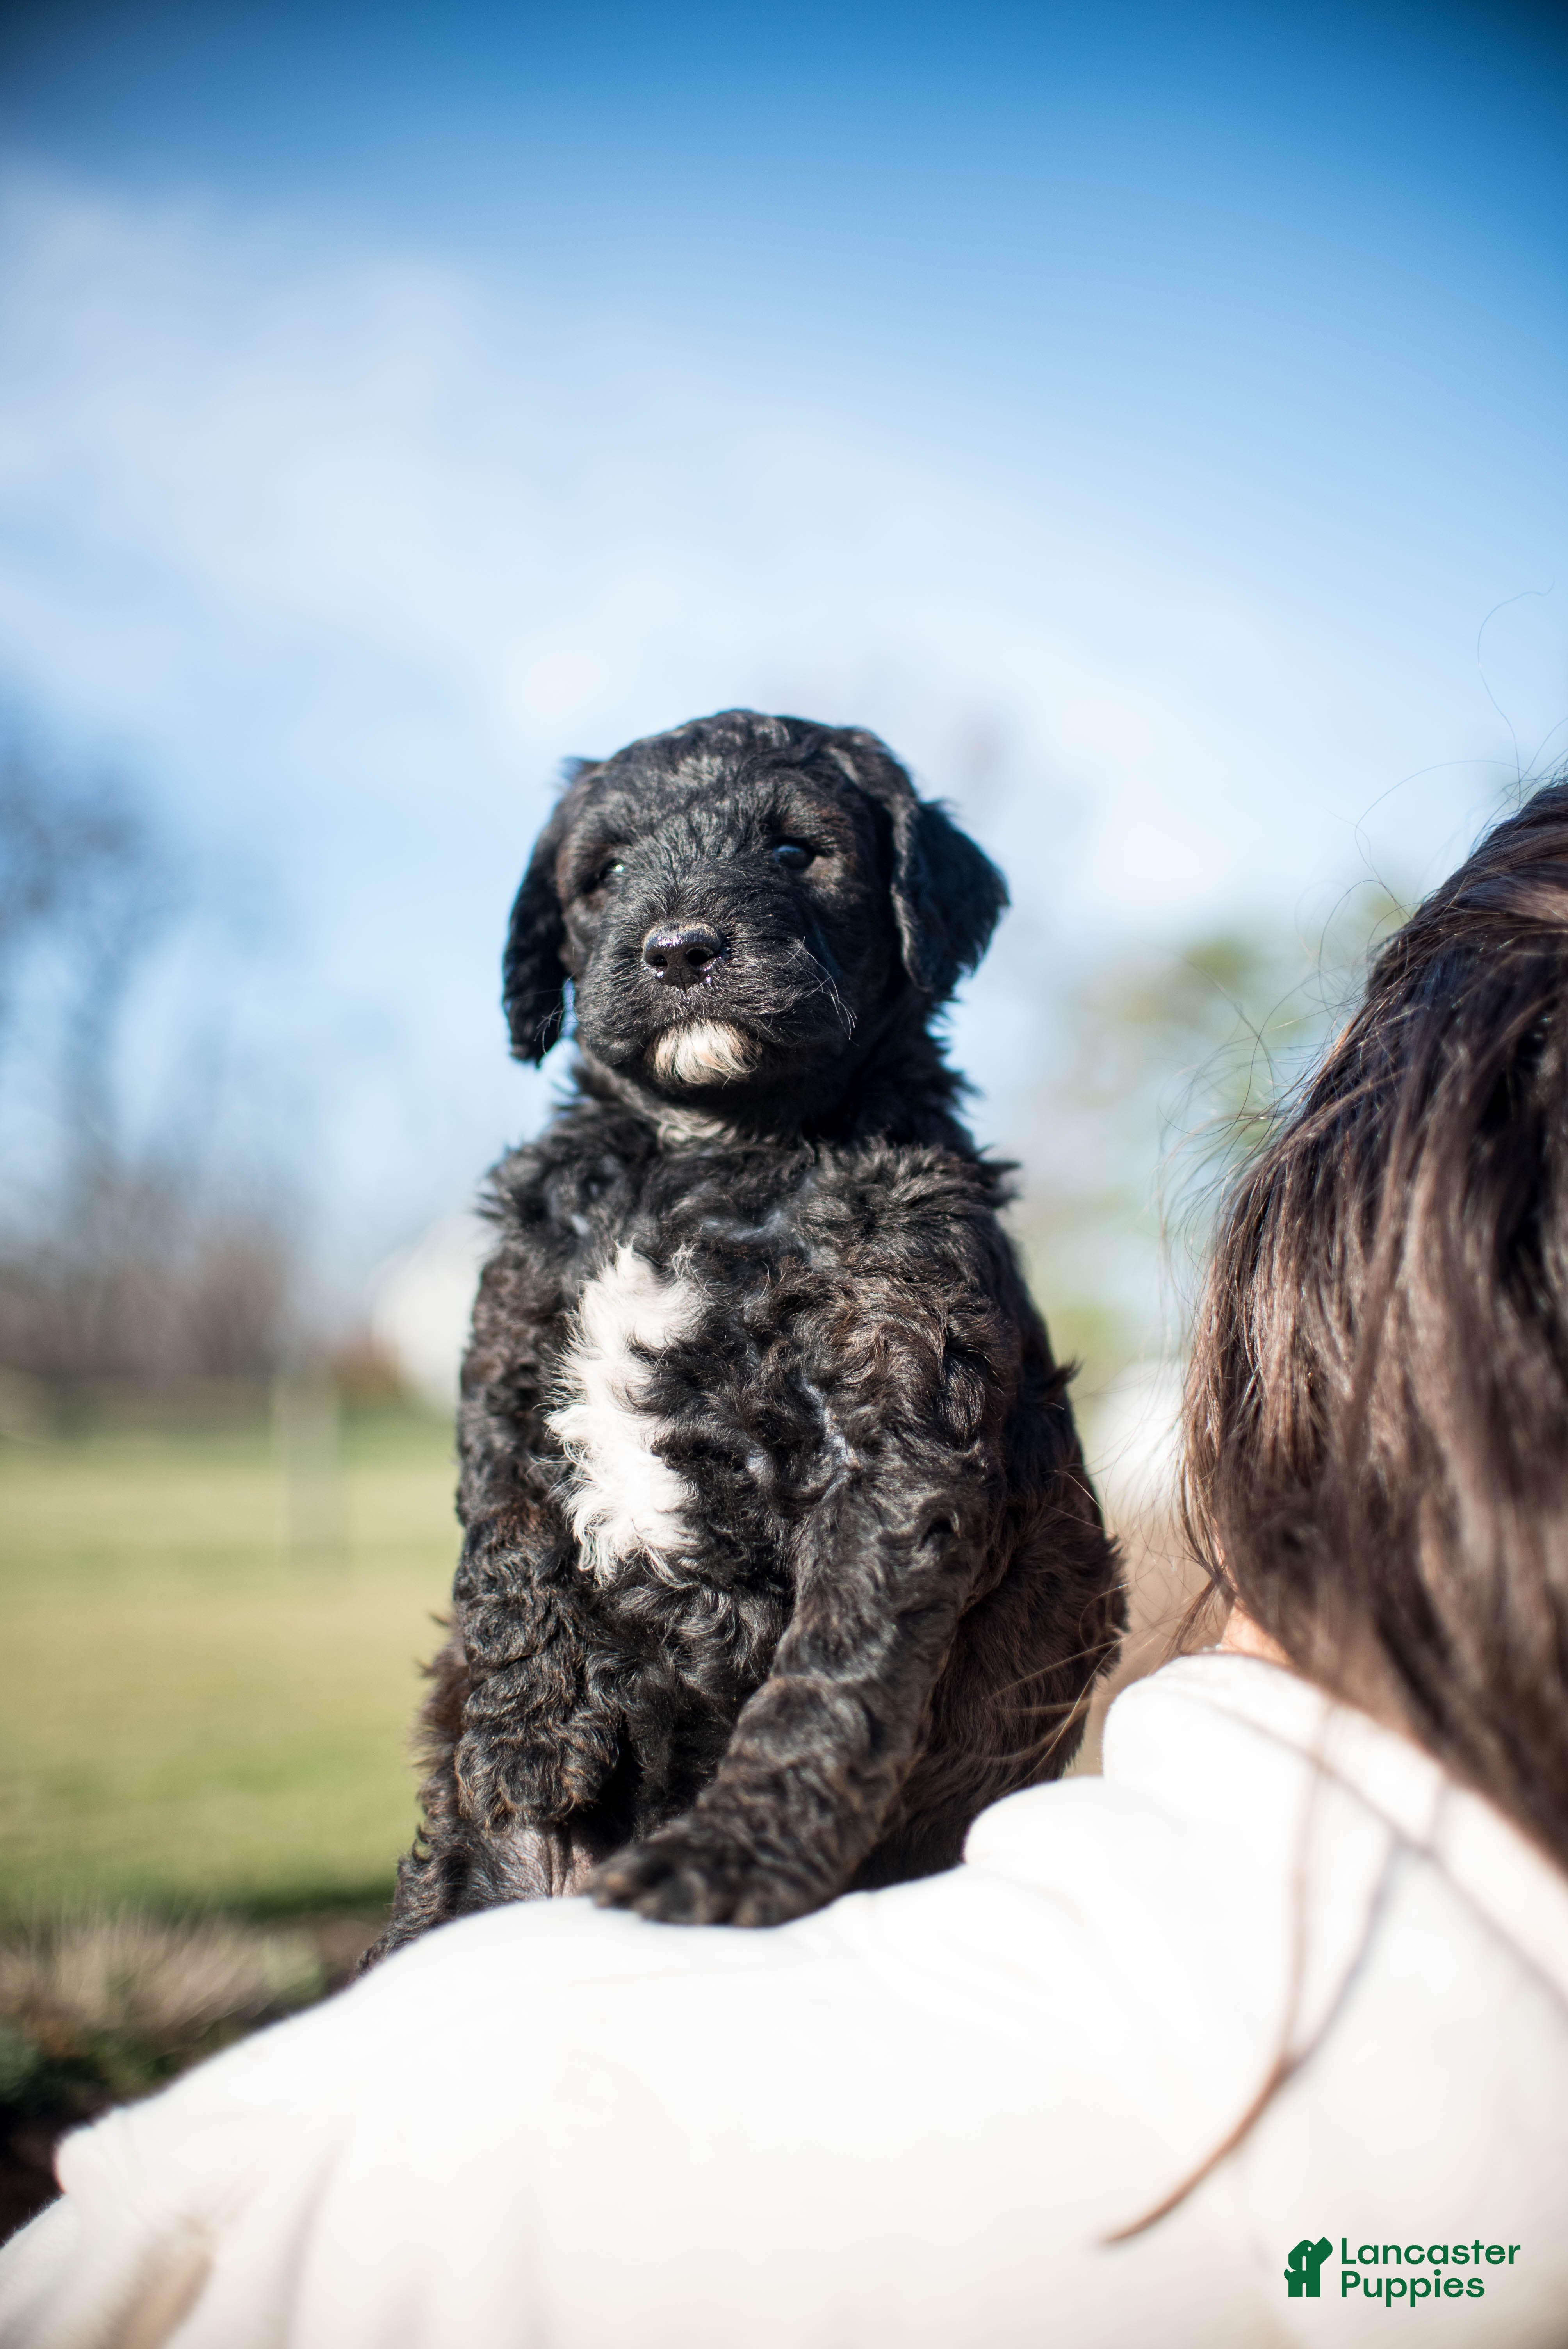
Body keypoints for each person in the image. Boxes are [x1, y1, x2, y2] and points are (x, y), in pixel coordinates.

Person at [6, 786, 1568, 2348]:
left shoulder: (424, 2138)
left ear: (1325, 1274)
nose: (682, 919)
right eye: (613, 876)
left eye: (786, 855)